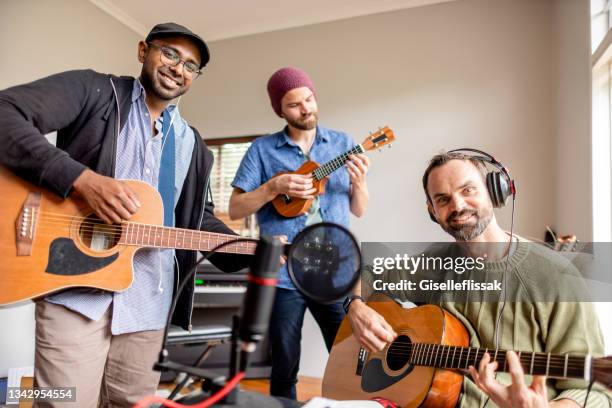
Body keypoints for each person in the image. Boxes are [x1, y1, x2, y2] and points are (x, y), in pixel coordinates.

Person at [0, 22, 249, 407]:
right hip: (73, 296)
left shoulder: (193, 146)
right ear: (142, 51)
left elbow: (199, 222)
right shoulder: (94, 91)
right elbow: (5, 113)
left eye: (190, 65)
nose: (177, 68)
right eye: (169, 53)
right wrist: (82, 180)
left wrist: (255, 250)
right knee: (58, 401)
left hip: (149, 304)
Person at [346, 151, 611, 407]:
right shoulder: (432, 265)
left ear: (494, 191)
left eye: (468, 190)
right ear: (432, 211)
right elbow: (367, 273)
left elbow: (594, 393)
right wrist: (356, 307)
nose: (458, 206)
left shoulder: (557, 276)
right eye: (442, 199)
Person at [228, 66, 370, 399]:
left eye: (309, 99)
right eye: (294, 104)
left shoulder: (342, 144)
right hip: (283, 274)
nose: (306, 109)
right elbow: (235, 208)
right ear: (280, 110)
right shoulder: (262, 150)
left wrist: (360, 183)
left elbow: (359, 209)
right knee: (284, 364)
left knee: (349, 359)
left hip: (334, 272)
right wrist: (273, 186)